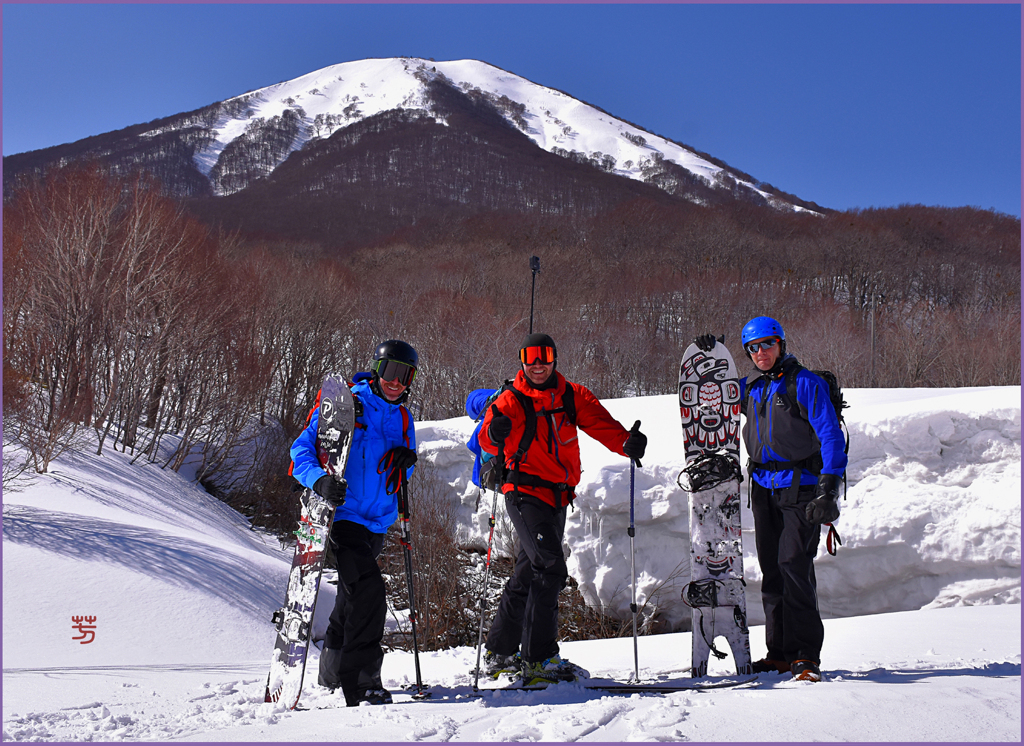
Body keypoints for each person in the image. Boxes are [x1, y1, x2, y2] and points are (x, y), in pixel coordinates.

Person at [477, 333, 648, 684]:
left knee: (529, 571)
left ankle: (501, 650)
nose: (537, 365)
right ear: (522, 361)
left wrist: (627, 444)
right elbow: (486, 437)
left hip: (558, 496)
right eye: (530, 358)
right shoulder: (512, 399)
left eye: (544, 358)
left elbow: (601, 425)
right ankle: (539, 659)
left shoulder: (572, 395)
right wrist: (495, 431)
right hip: (524, 492)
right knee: (551, 568)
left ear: (555, 360)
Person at [290, 340, 419, 706]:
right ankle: (361, 682)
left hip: (377, 522)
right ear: (377, 370)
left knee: (351, 598)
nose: (396, 382)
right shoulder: (346, 404)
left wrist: (405, 460)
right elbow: (300, 449)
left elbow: (401, 465)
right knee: (369, 592)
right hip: (342, 518)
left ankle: (331, 671)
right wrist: (319, 480)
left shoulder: (404, 417)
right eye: (390, 371)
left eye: (405, 375)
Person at [725, 317, 847, 683]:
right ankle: (779, 653)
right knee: (772, 570)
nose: (761, 353)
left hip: (802, 487)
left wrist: (829, 487)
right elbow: (713, 395)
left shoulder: (804, 383)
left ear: (781, 343)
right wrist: (706, 354)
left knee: (794, 565)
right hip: (763, 486)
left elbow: (830, 436)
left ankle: (806, 655)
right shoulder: (751, 388)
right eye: (753, 348)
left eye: (767, 344)